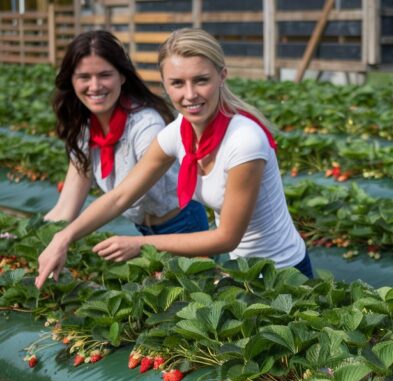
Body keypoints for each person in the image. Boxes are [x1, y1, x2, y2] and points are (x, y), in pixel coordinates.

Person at [35, 28, 311, 289]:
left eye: (201, 80)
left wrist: (141, 245)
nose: (189, 95)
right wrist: (63, 237)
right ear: (164, 85)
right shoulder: (177, 133)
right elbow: (121, 196)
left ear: (222, 76)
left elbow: (227, 237)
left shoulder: (244, 141)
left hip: (284, 274)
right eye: (177, 83)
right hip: (242, 268)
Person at [45, 30, 209, 236]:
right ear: (71, 80)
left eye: (105, 75)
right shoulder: (86, 129)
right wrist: (26, 237)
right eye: (84, 77)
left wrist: (65, 237)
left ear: (122, 76)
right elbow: (65, 208)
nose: (95, 86)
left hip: (184, 225)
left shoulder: (146, 125)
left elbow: (122, 197)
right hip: (144, 228)